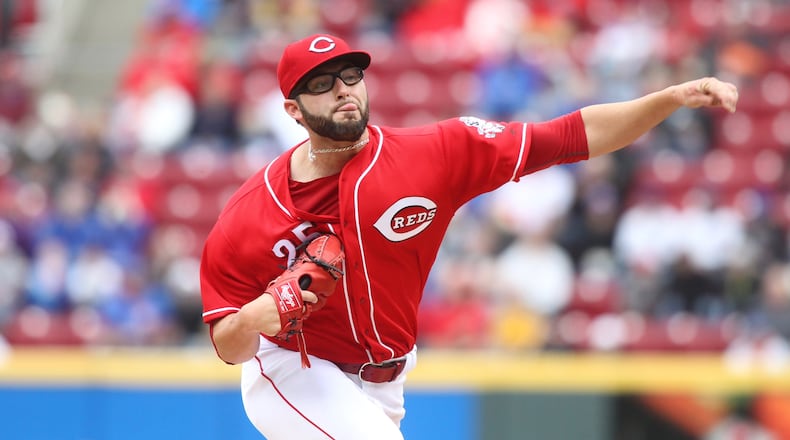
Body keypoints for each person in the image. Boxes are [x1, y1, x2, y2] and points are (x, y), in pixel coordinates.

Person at [199, 33, 738, 439]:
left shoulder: (436, 154)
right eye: (321, 84)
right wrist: (256, 316)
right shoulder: (252, 215)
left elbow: (570, 136)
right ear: (293, 110)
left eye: (350, 75)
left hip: (387, 378)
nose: (342, 90)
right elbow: (228, 343)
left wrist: (668, 98)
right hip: (295, 367)